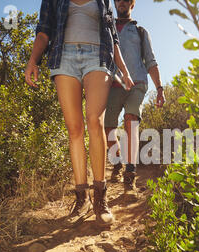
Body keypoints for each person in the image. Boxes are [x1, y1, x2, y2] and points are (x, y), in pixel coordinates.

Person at [25, 0, 134, 226]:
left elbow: (113, 38)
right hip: (63, 58)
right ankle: (81, 197)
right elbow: (44, 31)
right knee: (74, 129)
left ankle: (100, 198)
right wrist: (33, 60)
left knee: (95, 121)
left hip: (98, 57)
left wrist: (124, 70)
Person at [105, 0, 165, 193]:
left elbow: (150, 60)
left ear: (132, 4)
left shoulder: (140, 31)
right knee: (107, 128)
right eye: (118, 0)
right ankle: (116, 161)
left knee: (131, 121)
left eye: (126, 0)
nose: (121, 2)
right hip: (112, 84)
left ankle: (130, 173)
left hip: (137, 83)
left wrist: (160, 88)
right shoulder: (107, 28)